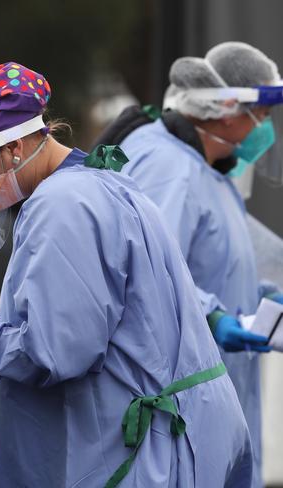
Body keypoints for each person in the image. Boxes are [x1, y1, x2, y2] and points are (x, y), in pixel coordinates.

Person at [0, 62, 253, 487]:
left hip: (144, 451)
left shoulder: (62, 206)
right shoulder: (94, 183)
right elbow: (88, 320)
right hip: (175, 434)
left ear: (13, 149)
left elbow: (55, 351)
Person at [116, 42, 283, 488]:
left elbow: (211, 261)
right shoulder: (168, 166)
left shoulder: (211, 171)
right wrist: (212, 315)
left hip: (217, 391)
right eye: (263, 116)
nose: (266, 130)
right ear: (229, 110)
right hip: (182, 400)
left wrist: (260, 295)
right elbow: (148, 271)